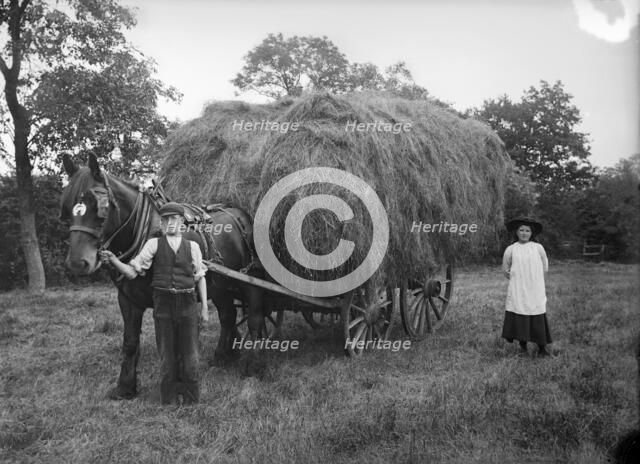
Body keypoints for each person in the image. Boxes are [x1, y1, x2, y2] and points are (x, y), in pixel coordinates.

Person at [100, 202, 209, 404]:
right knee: (166, 355)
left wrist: (204, 308)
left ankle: (192, 399)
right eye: (165, 220)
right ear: (161, 223)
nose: (170, 223)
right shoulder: (153, 244)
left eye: (174, 219)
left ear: (182, 222)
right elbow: (132, 272)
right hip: (163, 306)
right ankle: (168, 399)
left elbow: (200, 277)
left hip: (187, 304)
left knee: (191, 355)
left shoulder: (193, 247)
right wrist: (115, 260)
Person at [501, 217, 552, 357]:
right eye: (521, 230)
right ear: (516, 232)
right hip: (518, 288)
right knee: (520, 311)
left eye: (527, 230)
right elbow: (505, 269)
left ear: (532, 233)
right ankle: (522, 347)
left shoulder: (538, 248)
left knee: (537, 311)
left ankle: (542, 348)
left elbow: (545, 266)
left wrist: (537, 281)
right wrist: (517, 279)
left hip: (535, 287)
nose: (524, 233)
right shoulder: (511, 249)